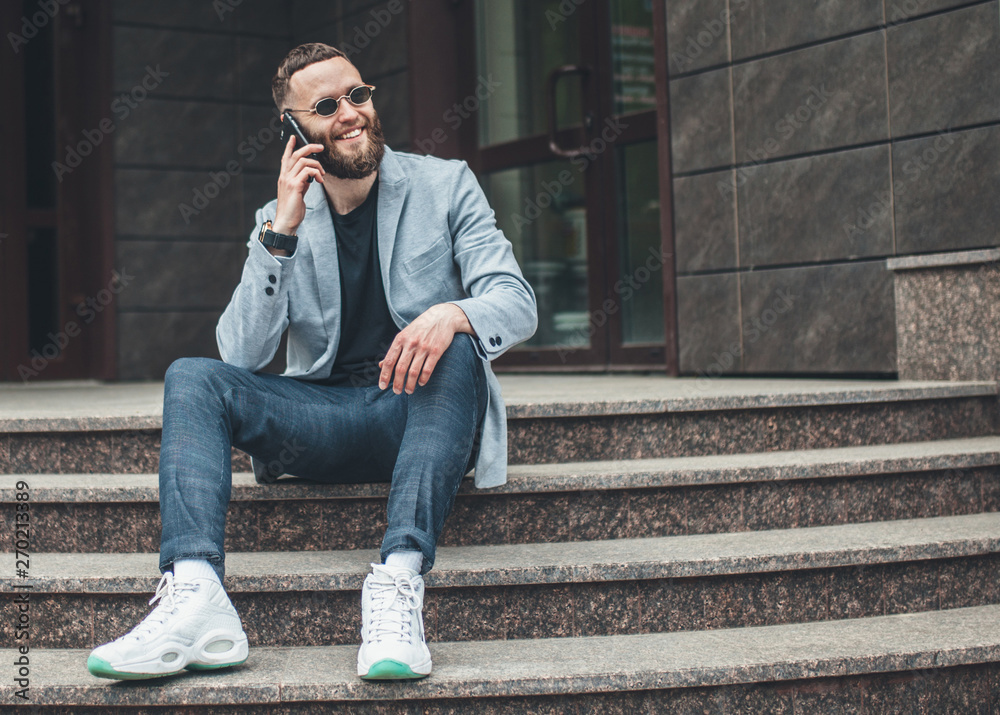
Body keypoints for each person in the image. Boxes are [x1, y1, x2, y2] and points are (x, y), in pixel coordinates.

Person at [86, 42, 537, 682]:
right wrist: (282, 235)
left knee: (458, 345)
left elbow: (516, 302)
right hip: (320, 421)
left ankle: (397, 584)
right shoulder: (278, 220)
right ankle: (196, 595)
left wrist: (451, 314)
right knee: (192, 377)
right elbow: (240, 353)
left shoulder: (445, 183)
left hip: (420, 416)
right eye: (326, 106)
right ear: (295, 130)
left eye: (358, 94)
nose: (350, 113)